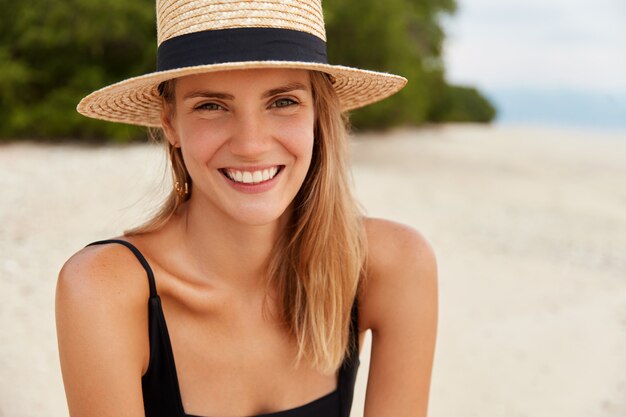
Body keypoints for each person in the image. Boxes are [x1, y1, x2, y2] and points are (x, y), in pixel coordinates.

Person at [55, 1, 438, 416]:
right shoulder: (107, 291)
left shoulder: (390, 265)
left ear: (317, 113)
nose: (251, 144)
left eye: (282, 102)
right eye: (211, 106)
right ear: (169, 122)